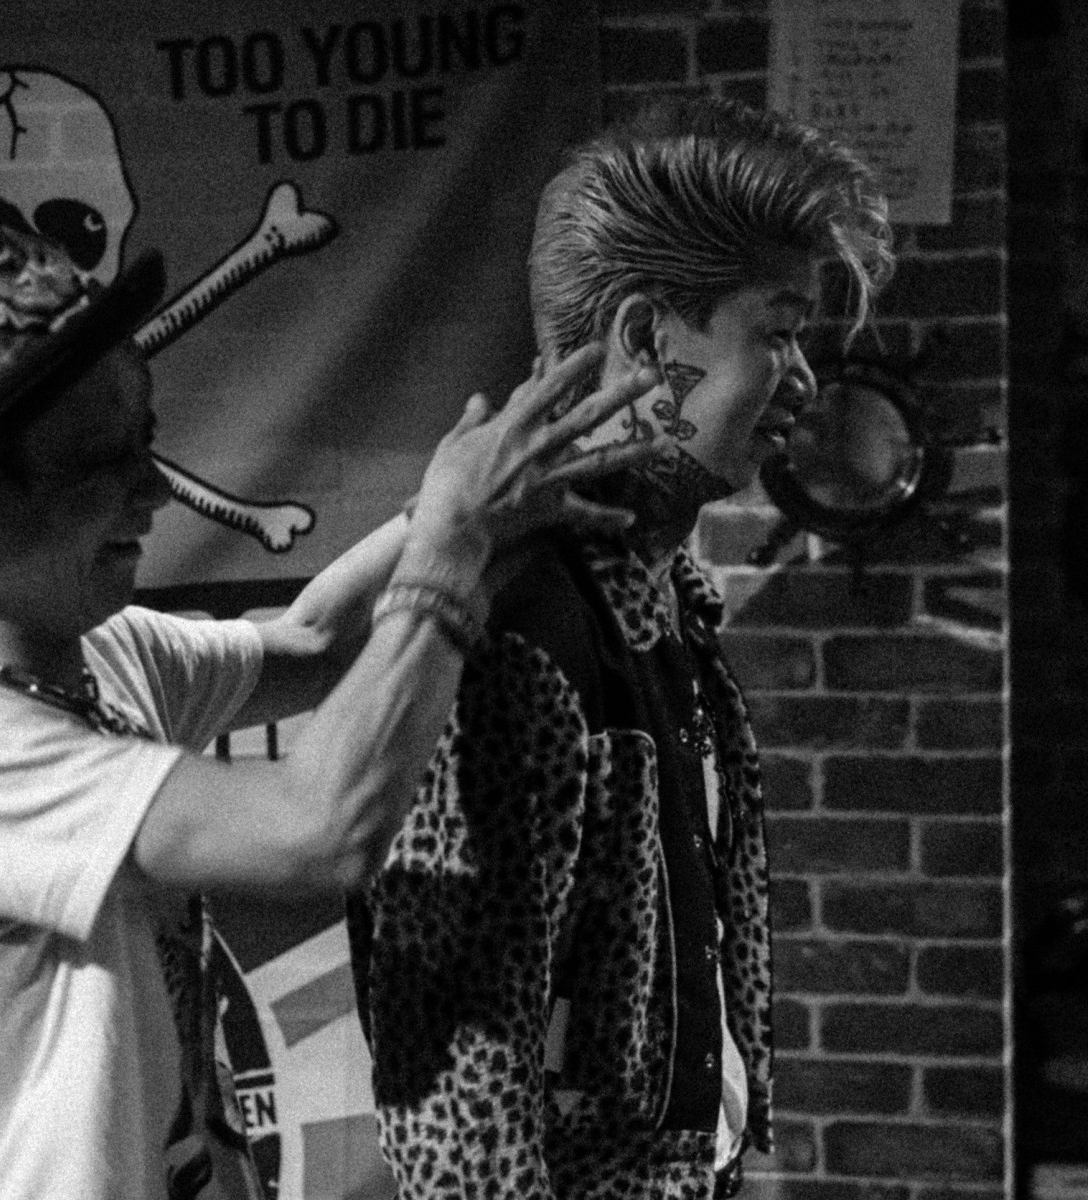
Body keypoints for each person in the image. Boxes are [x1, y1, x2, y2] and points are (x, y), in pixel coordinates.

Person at [0, 177, 658, 1200]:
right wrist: (449, 550)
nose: (150, 488)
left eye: (144, 441)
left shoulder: (105, 652)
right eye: (100, 462)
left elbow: (315, 639)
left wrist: (469, 503)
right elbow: (318, 829)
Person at [348, 95, 894, 1199]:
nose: (802, 378)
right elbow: (456, 1102)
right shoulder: (516, 625)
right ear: (647, 341)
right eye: (777, 332)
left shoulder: (655, 596)